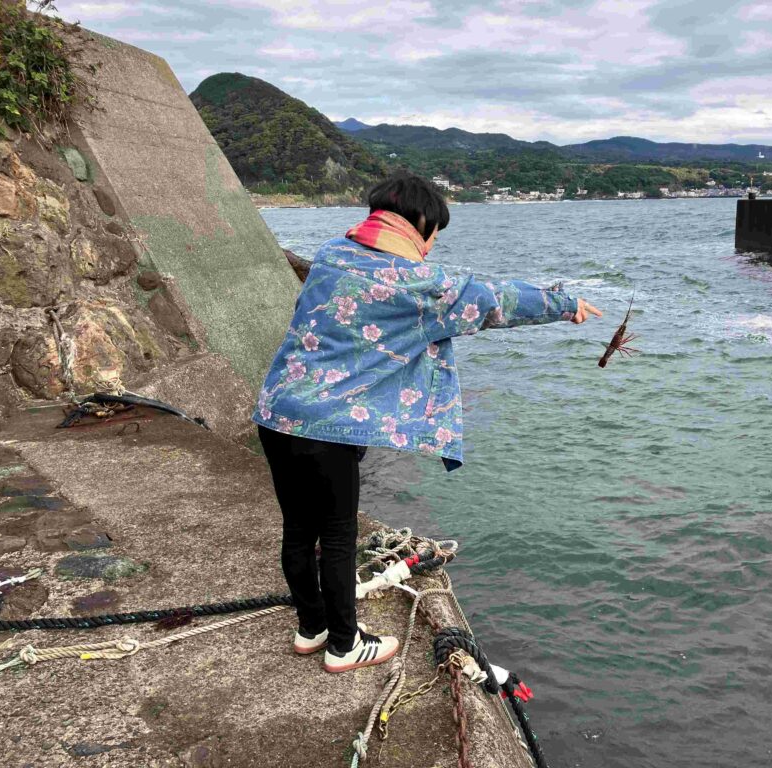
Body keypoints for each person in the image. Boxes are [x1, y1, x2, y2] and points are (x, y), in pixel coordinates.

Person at [254, 171, 602, 673]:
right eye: (434, 231)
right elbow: (494, 299)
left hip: (276, 411)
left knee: (297, 528)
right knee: (336, 536)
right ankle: (345, 645)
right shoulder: (415, 283)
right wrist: (565, 303)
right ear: (419, 223)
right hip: (326, 430)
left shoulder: (331, 255)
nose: (433, 244)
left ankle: (312, 629)